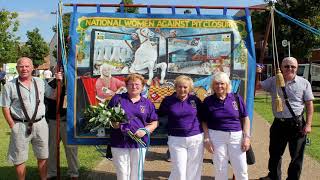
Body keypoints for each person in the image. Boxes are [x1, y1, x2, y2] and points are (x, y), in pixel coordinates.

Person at [0, 57, 62, 180]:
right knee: (19, 158)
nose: (24, 69)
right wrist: (12, 125)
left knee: (43, 155)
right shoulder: (9, 86)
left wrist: (59, 81)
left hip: (41, 124)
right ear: (17, 68)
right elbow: (5, 107)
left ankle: (43, 178)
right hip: (20, 125)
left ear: (32, 67)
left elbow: (53, 96)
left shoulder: (40, 82)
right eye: (21, 66)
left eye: (27, 66)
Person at [258, 57, 314, 180]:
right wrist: (258, 72)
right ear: (281, 68)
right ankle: (274, 176)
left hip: (297, 125)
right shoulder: (273, 81)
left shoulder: (304, 83)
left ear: (297, 68)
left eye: (292, 66)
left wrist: (308, 124)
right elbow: (257, 87)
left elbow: (309, 105)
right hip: (279, 124)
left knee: (296, 156)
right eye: (286, 66)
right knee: (275, 154)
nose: (289, 69)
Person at [107, 73, 158, 180]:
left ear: (143, 86)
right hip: (119, 142)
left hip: (138, 142)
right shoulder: (117, 99)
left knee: (136, 174)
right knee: (122, 173)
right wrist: (113, 123)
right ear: (126, 85)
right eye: (131, 84)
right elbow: (107, 116)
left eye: (137, 84)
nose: (134, 87)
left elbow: (154, 122)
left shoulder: (147, 103)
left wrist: (145, 130)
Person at [201, 72, 251, 180]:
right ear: (213, 85)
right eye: (216, 84)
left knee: (241, 169)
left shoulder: (236, 98)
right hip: (216, 136)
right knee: (220, 168)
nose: (219, 86)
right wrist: (206, 138)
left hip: (236, 136)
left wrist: (247, 137)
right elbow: (203, 121)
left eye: (222, 84)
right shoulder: (208, 101)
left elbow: (245, 118)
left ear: (227, 85)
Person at [158, 75, 204, 180]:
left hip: (196, 138)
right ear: (175, 87)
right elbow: (159, 115)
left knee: (194, 169)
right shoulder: (168, 100)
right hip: (176, 139)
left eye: (185, 87)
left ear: (190, 88)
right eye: (179, 86)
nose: (182, 89)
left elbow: (203, 116)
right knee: (179, 170)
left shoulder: (195, 100)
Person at [45, 71, 79, 180]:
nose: (63, 73)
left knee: (71, 149)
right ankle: (52, 172)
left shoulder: (74, 84)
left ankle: (74, 173)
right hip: (54, 121)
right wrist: (58, 82)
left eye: (65, 71)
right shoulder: (50, 83)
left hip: (68, 122)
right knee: (52, 148)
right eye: (61, 71)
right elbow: (50, 97)